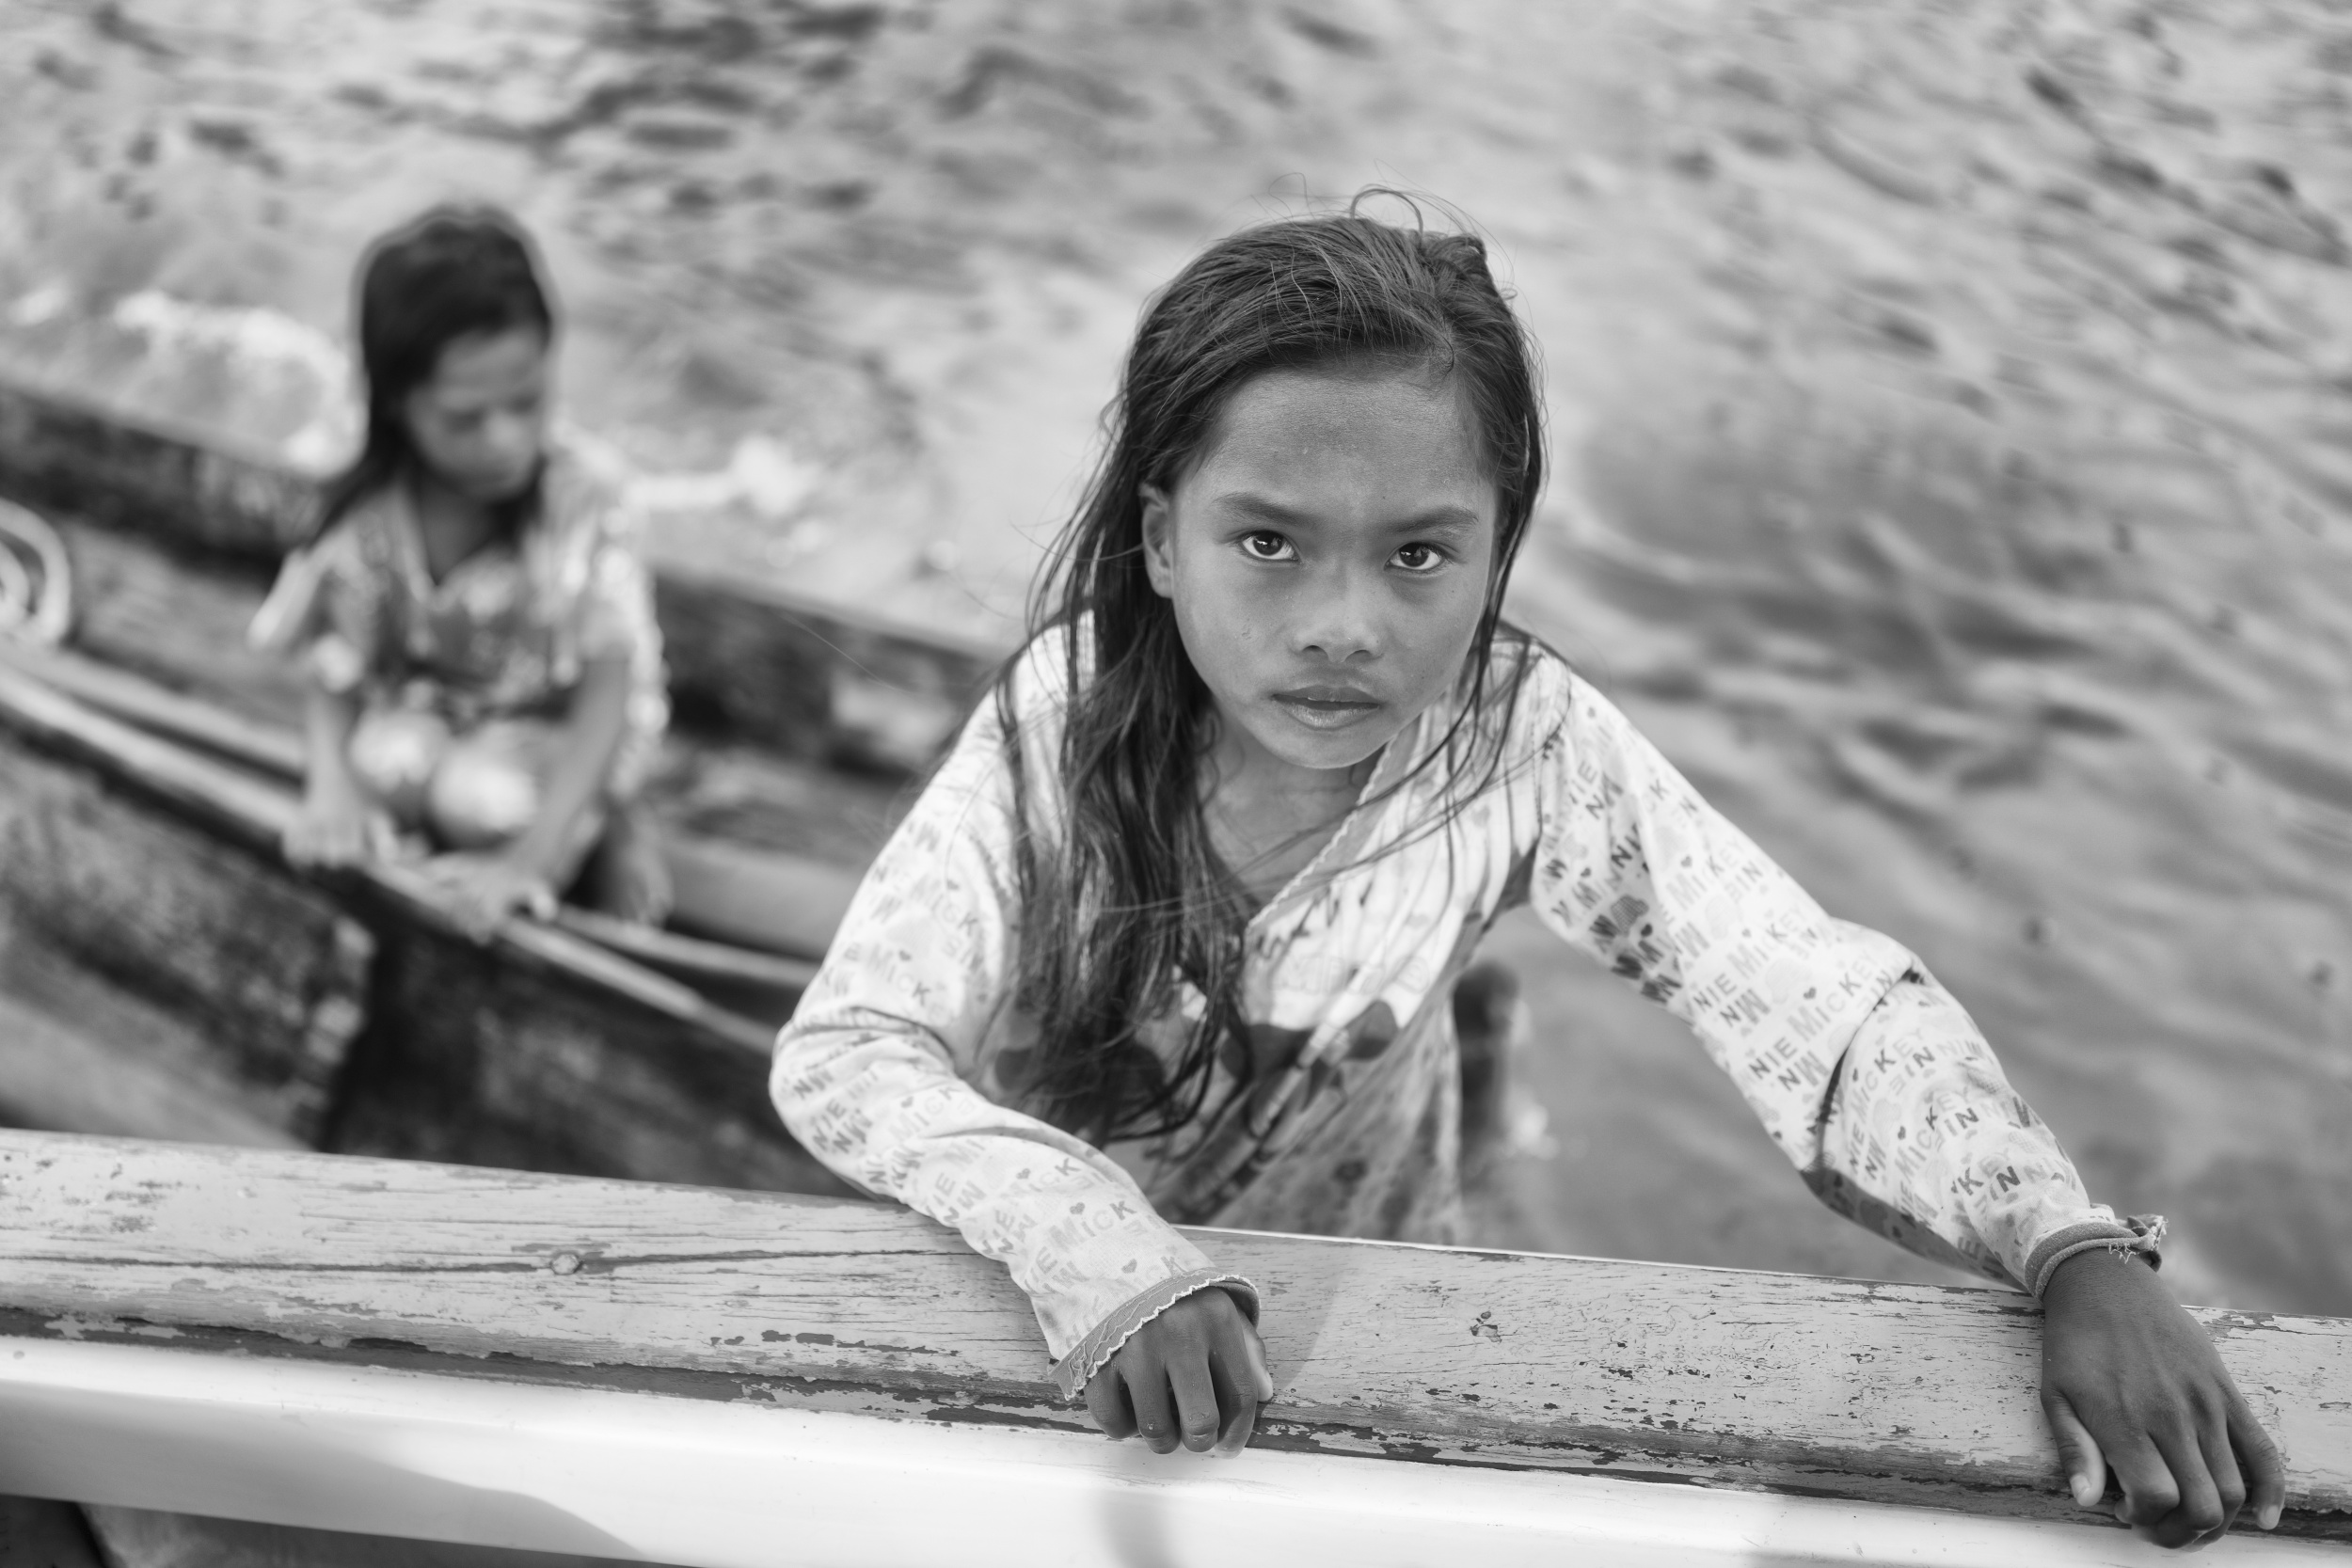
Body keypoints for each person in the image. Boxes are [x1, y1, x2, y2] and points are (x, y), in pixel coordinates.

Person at [769, 202, 2283, 1549]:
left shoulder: (1520, 741)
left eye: (1419, 555)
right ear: (1164, 540)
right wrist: (1092, 1242)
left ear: (1496, 555)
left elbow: (1803, 996)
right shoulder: (1058, 719)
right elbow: (850, 1047)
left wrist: (2064, 1240)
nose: (1345, 624)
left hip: (1364, 1295)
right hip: (1066, 1312)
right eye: (1269, 542)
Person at [251, 205, 671, 941]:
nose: (505, 439)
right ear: (397, 404)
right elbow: (335, 668)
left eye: (527, 401)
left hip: (558, 728)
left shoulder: (583, 504)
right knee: (382, 768)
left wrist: (529, 861)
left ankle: (605, 822)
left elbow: (611, 691)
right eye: (465, 418)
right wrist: (330, 789)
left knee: (478, 802)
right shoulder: (367, 517)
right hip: (437, 710)